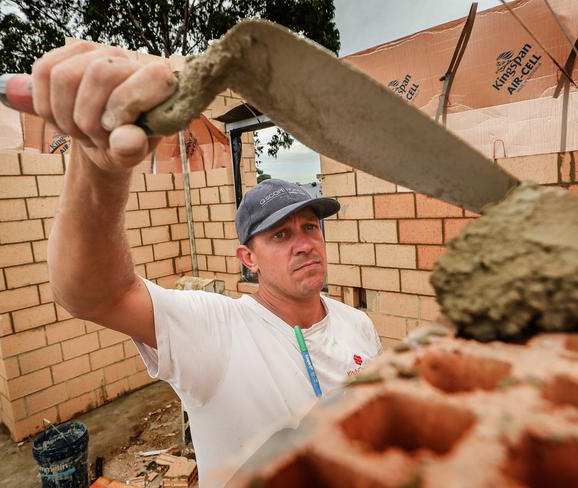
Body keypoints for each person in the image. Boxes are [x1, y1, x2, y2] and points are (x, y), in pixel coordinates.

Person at [34, 41, 382, 485]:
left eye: (310, 227)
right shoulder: (215, 330)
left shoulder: (358, 326)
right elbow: (93, 294)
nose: (304, 244)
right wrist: (98, 169)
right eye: (280, 234)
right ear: (248, 259)